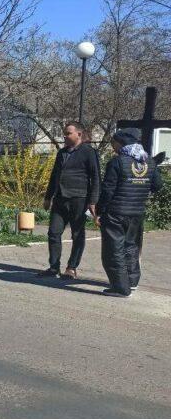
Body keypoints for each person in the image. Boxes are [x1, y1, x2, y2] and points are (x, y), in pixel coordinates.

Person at [96, 128, 163, 297]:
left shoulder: (117, 162)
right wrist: (140, 189)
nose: (113, 147)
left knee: (114, 249)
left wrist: (99, 211)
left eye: (114, 143)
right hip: (137, 213)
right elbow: (157, 185)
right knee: (131, 246)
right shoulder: (149, 162)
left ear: (122, 143)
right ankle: (132, 282)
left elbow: (108, 190)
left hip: (116, 213)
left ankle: (120, 288)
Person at [39, 121, 101, 279]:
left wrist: (93, 202)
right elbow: (54, 176)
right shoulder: (62, 152)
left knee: (77, 235)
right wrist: (48, 197)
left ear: (79, 134)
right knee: (53, 233)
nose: (64, 136)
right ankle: (53, 267)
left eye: (68, 133)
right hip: (60, 199)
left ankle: (71, 268)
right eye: (64, 133)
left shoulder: (89, 152)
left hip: (79, 199)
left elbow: (96, 179)